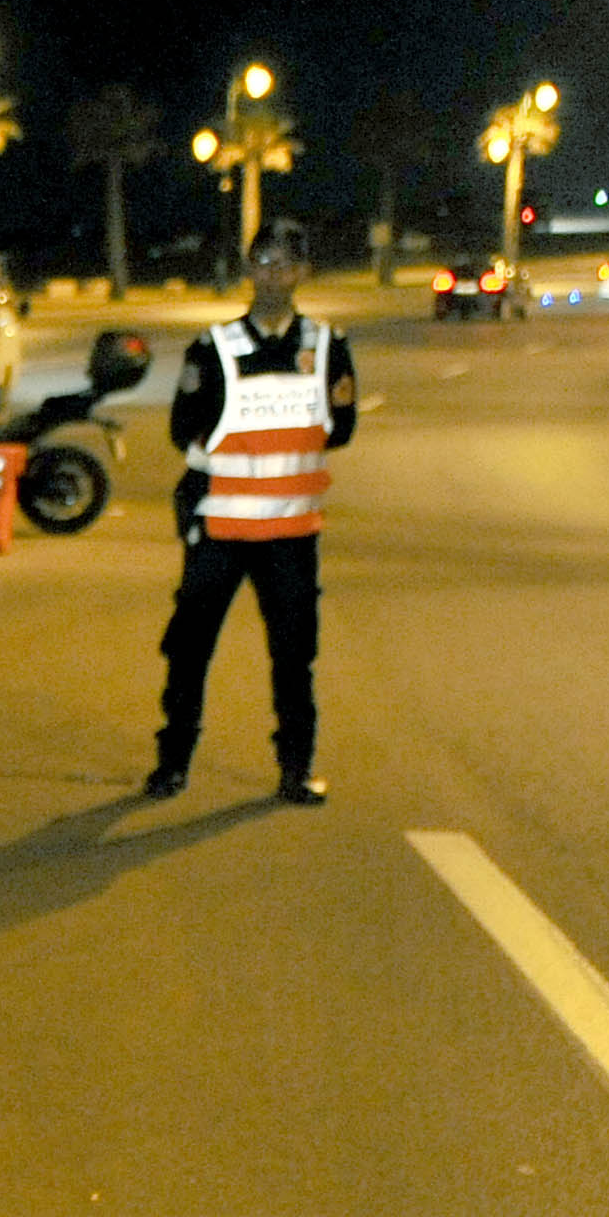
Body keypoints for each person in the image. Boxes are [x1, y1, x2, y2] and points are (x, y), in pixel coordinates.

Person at [144, 223, 356, 803]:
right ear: (247, 268)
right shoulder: (211, 347)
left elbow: (344, 428)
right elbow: (181, 429)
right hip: (220, 530)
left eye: (286, 263)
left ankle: (295, 769)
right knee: (188, 651)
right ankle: (172, 763)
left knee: (294, 658)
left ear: (303, 271)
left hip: (290, 534)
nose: (274, 274)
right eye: (263, 262)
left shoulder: (327, 345)